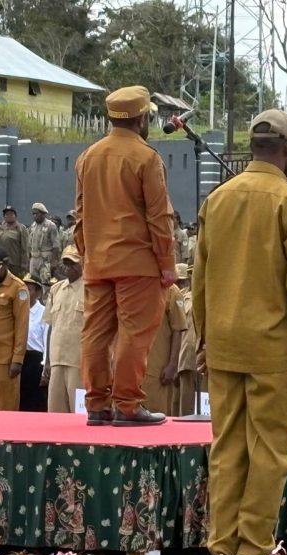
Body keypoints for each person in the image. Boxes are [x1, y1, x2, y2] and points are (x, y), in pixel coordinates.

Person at [192, 108, 287, 555]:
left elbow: (200, 279)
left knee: (226, 448)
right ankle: (253, 552)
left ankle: (222, 554)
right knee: (269, 451)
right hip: (273, 350)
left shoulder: (218, 199)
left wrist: (202, 337)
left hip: (224, 343)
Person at [75, 85, 176, 426]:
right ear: (143, 118)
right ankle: (128, 406)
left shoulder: (87, 157)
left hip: (97, 264)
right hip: (138, 264)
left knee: (95, 334)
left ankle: (96, 406)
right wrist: (166, 264)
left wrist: (88, 256)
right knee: (135, 333)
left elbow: (80, 216)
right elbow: (159, 217)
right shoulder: (146, 158)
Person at [43, 246, 84, 413]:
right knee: (55, 412)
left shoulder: (93, 289)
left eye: (73, 263)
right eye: (65, 263)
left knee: (80, 413)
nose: (68, 267)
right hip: (57, 360)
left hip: (79, 361)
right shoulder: (56, 289)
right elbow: (51, 326)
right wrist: (47, 360)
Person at [141, 282, 188, 415]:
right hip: (134, 366)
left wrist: (172, 365)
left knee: (157, 413)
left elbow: (178, 329)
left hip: (157, 369)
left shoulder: (172, 291)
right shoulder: (135, 285)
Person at [0, 247, 29, 410]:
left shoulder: (18, 288)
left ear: (6, 264)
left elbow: (22, 325)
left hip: (5, 359)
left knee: (5, 405)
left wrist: (18, 358)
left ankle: (6, 436)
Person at [20, 273, 47, 412]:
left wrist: (44, 366)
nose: (25, 292)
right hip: (20, 358)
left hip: (36, 360)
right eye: (23, 288)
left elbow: (46, 340)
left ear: (37, 292)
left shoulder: (43, 312)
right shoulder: (18, 309)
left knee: (33, 399)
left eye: (29, 289)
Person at [175, 263, 200, 416]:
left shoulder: (189, 298)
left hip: (189, 355)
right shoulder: (184, 297)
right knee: (179, 402)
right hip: (184, 355)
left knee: (186, 404)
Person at [29, 202, 61, 283]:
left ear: (43, 214)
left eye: (37, 213)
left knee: (45, 281)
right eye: (33, 214)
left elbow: (56, 245)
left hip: (45, 259)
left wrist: (54, 261)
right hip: (34, 258)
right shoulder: (33, 226)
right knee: (33, 281)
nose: (34, 216)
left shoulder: (51, 226)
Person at [0, 206, 29, 277]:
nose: (9, 216)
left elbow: (25, 247)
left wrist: (24, 263)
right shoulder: (0, 227)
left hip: (14, 263)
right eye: (6, 214)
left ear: (15, 216)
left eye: (11, 214)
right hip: (0, 262)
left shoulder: (21, 228)